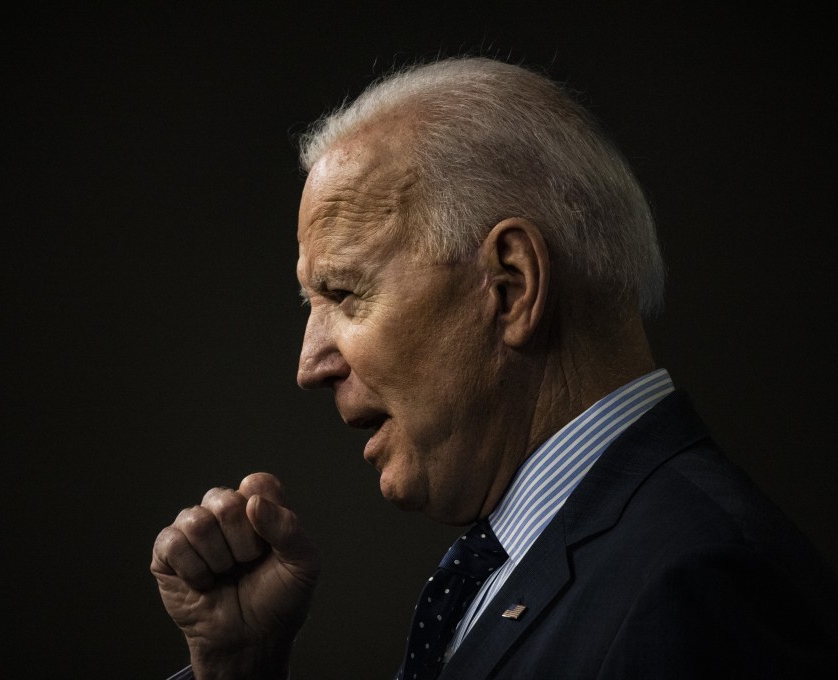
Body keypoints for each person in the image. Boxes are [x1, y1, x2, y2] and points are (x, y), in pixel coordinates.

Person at [150, 57, 838, 679]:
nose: (310, 364)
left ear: (510, 286)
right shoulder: (532, 564)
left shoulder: (700, 586)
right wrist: (239, 671)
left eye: (343, 293)